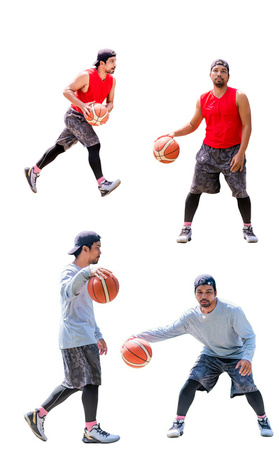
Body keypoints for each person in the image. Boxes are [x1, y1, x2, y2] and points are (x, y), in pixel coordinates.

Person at [131, 274, 273, 438]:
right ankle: (178, 423)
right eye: (199, 292)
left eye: (208, 291)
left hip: (236, 356)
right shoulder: (190, 317)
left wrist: (247, 358)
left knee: (248, 387)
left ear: (215, 292)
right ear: (195, 293)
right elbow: (165, 331)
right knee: (191, 383)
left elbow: (249, 337)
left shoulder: (232, 311)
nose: (204, 296)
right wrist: (137, 337)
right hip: (211, 354)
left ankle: (263, 419)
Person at [24, 231, 120, 444]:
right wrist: (87, 273)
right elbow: (67, 292)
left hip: (83, 335)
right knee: (91, 382)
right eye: (97, 247)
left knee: (75, 383)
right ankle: (91, 430)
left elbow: (86, 308)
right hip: (76, 337)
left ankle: (37, 415)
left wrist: (98, 334)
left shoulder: (87, 274)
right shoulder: (70, 271)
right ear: (84, 249)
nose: (100, 252)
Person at [161, 59, 257, 244]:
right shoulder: (203, 99)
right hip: (208, 152)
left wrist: (241, 153)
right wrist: (174, 133)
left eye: (223, 71)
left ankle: (248, 228)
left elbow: (247, 126)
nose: (219, 74)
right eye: (215, 70)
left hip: (233, 152)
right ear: (210, 75)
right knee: (194, 190)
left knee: (241, 192)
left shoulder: (239, 96)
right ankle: (186, 228)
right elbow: (192, 124)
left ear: (228, 76)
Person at [24, 49, 121, 196]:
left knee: (59, 147)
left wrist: (105, 111)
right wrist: (82, 105)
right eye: (112, 61)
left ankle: (33, 171)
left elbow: (111, 102)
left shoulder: (111, 80)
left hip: (85, 120)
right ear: (102, 63)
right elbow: (66, 90)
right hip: (74, 117)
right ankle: (102, 184)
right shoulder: (86, 75)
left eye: (115, 61)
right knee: (94, 145)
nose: (115, 64)